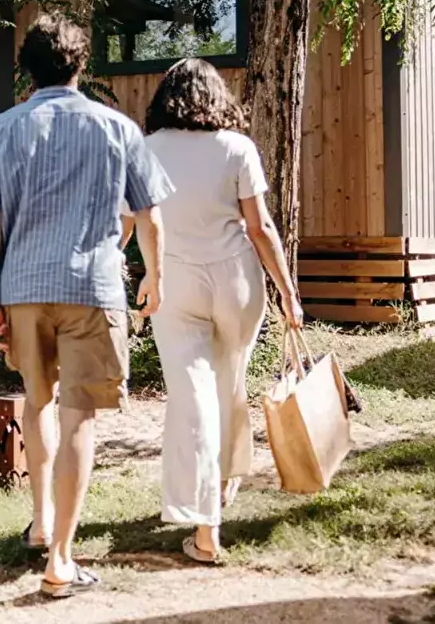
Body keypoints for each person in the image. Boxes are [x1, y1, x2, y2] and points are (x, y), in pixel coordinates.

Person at [0, 14, 174, 599]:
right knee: (80, 415)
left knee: (38, 402)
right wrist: (155, 277)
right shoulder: (118, 128)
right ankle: (60, 556)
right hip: (93, 288)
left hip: (24, 287)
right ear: (82, 64)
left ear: (26, 69)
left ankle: (40, 521)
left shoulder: (1, 130)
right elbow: (150, 215)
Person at [141, 58, 303, 564]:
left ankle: (206, 524)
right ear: (216, 96)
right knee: (228, 386)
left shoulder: (147, 149)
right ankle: (225, 482)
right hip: (237, 281)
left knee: (192, 398)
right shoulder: (237, 148)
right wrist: (288, 292)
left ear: (166, 98)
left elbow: (131, 222)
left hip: (175, 282)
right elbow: (261, 228)